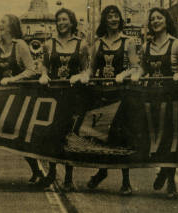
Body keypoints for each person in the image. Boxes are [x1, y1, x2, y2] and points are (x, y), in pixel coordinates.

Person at [71, 5, 141, 195]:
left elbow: (136, 67)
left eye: (116, 16)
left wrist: (125, 73)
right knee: (102, 138)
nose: (113, 19)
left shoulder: (128, 42)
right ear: (105, 20)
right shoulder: (98, 43)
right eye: (110, 16)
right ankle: (102, 172)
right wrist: (83, 76)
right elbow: (91, 69)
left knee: (121, 138)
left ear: (120, 19)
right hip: (102, 95)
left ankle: (126, 182)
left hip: (120, 95)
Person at [0, 14, 43, 186]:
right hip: (2, 97)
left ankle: (37, 171)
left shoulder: (20, 46)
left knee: (19, 136)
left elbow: (31, 70)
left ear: (11, 26)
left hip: (20, 97)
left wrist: (12, 80)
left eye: (3, 22)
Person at [131, 7, 178, 199]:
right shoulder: (146, 46)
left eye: (159, 18)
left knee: (170, 141)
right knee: (155, 140)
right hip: (152, 99)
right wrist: (136, 75)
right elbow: (142, 68)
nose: (156, 21)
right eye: (152, 19)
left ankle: (171, 181)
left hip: (172, 99)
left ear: (166, 21)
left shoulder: (176, 45)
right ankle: (163, 171)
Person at [37, 8, 90, 191]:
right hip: (53, 94)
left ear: (72, 22)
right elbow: (44, 65)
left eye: (65, 19)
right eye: (58, 20)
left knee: (69, 135)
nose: (61, 23)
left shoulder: (81, 44)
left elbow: (86, 69)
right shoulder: (49, 44)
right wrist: (43, 75)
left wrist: (81, 76)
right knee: (52, 134)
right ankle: (51, 172)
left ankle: (68, 176)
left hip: (73, 95)